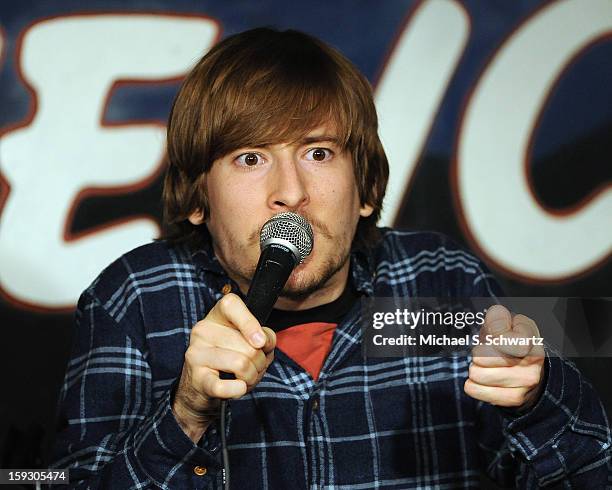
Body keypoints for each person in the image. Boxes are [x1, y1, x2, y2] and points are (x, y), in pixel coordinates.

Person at [51, 28, 611, 488]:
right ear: (198, 198)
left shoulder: (442, 279)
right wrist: (187, 413)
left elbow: (591, 473)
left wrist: (535, 398)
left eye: (318, 153)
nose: (290, 192)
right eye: (250, 158)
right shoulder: (137, 299)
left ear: (365, 188)